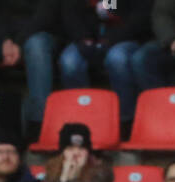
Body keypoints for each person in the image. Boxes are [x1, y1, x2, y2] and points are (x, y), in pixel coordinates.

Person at [57, 0, 153, 142]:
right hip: (87, 38)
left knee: (117, 59)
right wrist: (84, 38)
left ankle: (125, 121)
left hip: (126, 37)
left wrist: (111, 40)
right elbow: (71, 13)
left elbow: (140, 17)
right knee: (69, 62)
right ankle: (82, 122)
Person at [0, 0, 59, 140]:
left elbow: (45, 15)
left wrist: (18, 42)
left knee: (37, 46)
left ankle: (39, 120)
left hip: (39, 33)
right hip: (2, 35)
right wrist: (5, 40)